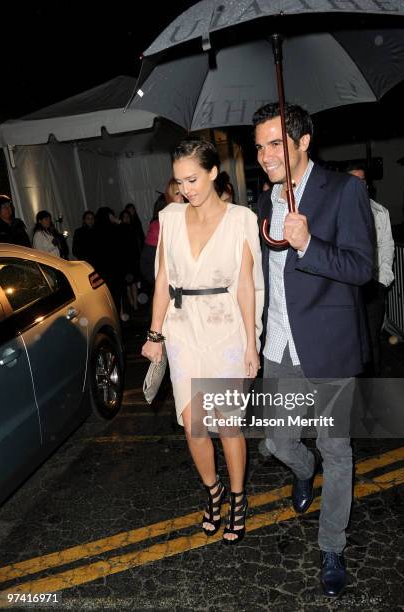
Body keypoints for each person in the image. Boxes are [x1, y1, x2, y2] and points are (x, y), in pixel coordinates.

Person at [253, 102, 373, 597]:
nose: (264, 155)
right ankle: (303, 473)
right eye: (258, 146)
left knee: (335, 449)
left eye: (275, 143)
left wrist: (309, 245)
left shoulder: (344, 190)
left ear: (304, 142)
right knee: (278, 441)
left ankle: (332, 546)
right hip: (278, 344)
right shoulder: (265, 202)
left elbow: (362, 267)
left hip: (327, 347)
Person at [141, 138, 264, 544]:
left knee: (227, 424)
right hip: (182, 328)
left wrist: (252, 343)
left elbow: (246, 285)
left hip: (225, 326)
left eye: (192, 179)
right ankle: (213, 492)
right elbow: (162, 280)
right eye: (179, 182)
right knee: (194, 424)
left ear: (213, 172)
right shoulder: (171, 217)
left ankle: (238, 496)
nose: (185, 189)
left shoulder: (241, 218)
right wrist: (155, 334)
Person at [347, 163, 395, 376]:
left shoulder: (379, 212)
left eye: (362, 180)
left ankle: (373, 389)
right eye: (353, 180)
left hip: (373, 286)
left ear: (366, 184)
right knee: (350, 340)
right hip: (346, 286)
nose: (358, 184)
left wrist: (383, 279)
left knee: (372, 339)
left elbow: (387, 245)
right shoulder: (337, 212)